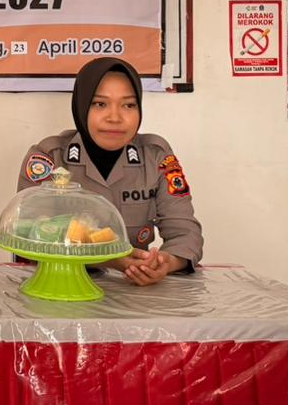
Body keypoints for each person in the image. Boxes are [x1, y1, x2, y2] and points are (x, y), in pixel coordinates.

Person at [15, 57, 202, 286]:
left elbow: (185, 232)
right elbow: (29, 235)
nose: (115, 117)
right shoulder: (49, 157)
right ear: (82, 106)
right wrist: (111, 259)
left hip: (133, 289)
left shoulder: (155, 156)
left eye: (128, 105)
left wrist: (165, 262)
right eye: (100, 104)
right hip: (59, 288)